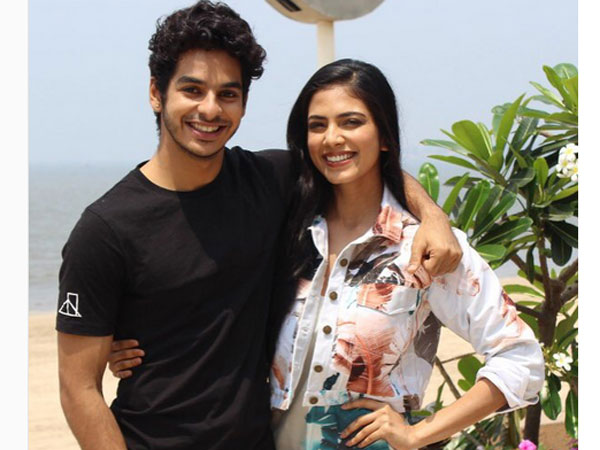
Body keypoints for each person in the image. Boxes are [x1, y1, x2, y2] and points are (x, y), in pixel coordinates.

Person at [56, 2, 461, 450]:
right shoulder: (106, 229)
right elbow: (79, 388)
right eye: (192, 90)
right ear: (157, 92)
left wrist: (432, 215)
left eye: (228, 94)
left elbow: (359, 162)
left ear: (244, 104)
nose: (210, 109)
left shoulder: (270, 181)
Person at [110, 58, 544, 450]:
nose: (332, 138)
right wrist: (138, 339)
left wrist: (418, 434)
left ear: (384, 135)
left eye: (351, 122)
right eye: (317, 125)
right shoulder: (285, 228)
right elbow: (214, 294)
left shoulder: (424, 248)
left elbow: (519, 358)